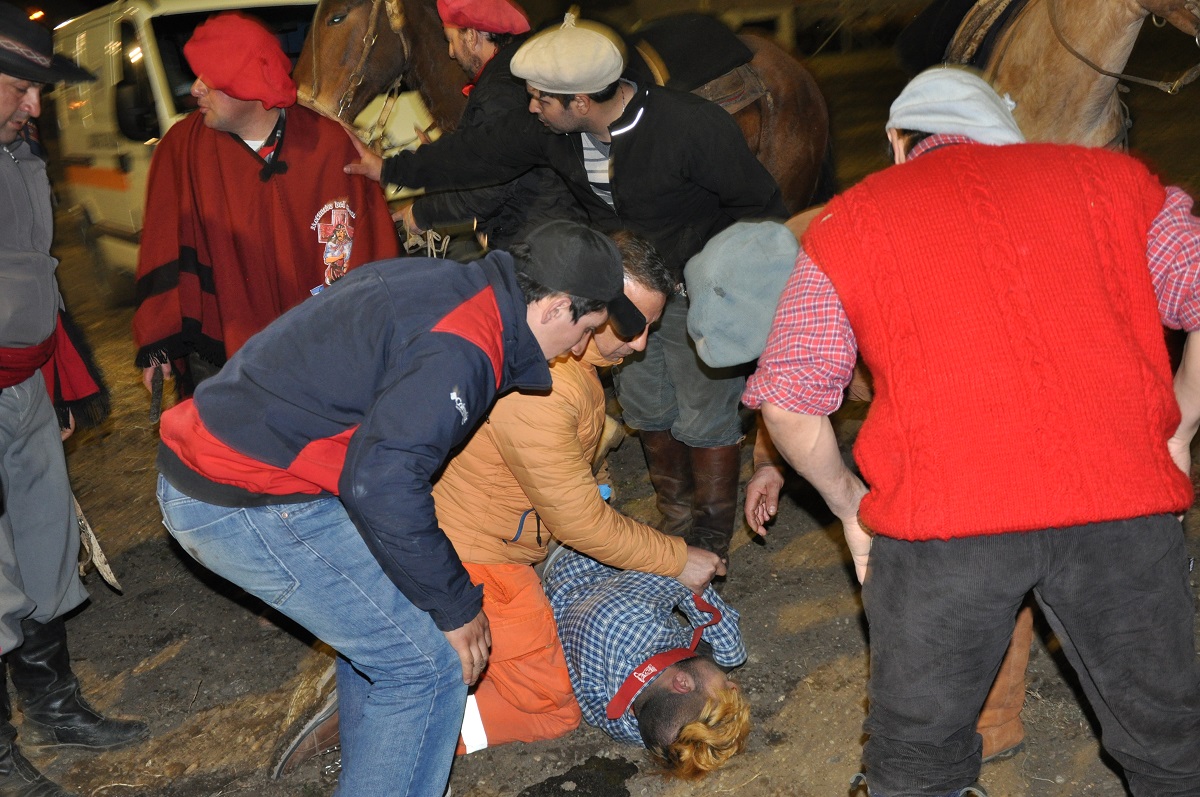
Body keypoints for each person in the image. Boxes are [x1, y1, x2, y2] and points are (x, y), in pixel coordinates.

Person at [687, 66, 1200, 796]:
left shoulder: (850, 222)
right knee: (1170, 743)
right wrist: (1178, 426)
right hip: (1122, 505)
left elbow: (791, 402)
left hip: (945, 529)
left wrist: (851, 508)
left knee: (918, 760)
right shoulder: (1120, 184)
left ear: (897, 141)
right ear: (1008, 133)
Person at [154, 220, 646, 797]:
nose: (581, 348)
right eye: (584, 330)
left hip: (240, 460)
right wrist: (456, 606)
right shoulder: (465, 347)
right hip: (244, 493)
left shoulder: (451, 286)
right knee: (429, 666)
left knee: (392, 640)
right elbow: (384, 481)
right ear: (557, 306)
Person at [271, 232, 725, 774]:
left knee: (533, 667)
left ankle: (406, 668)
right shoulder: (549, 386)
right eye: (632, 324)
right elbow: (578, 520)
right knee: (552, 709)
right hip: (481, 555)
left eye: (649, 326)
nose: (642, 343)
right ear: (591, 305)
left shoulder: (576, 369)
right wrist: (677, 558)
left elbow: (576, 476)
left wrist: (600, 496)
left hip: (500, 541)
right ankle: (393, 719)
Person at [346, 12, 787, 566]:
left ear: (580, 101)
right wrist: (389, 169)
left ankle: (710, 535)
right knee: (646, 404)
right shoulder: (552, 131)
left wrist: (720, 282)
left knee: (704, 411)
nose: (531, 107)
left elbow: (759, 206)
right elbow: (477, 153)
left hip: (694, 287)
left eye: (540, 98)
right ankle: (675, 516)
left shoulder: (692, 128)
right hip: (619, 287)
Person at [0, 5, 150, 796]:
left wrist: (62, 378)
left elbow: (39, 273)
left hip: (24, 383)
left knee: (42, 545)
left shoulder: (17, 151)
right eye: (21, 87)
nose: (36, 107)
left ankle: (54, 707)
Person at [133, 12, 399, 397]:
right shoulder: (182, 150)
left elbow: (374, 250)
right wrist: (157, 341)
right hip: (222, 356)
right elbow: (161, 247)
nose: (196, 88)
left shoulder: (329, 146)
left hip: (325, 354)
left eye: (209, 77)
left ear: (249, 85)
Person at [393, 0, 583, 252]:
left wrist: (420, 214)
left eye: (451, 40)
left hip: (538, 243)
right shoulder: (509, 75)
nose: (451, 52)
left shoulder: (498, 92)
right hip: (543, 231)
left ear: (472, 37)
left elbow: (488, 190)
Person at [544, 547, 749, 779]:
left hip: (577, 556)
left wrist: (732, 653)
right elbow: (671, 742)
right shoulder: (632, 727)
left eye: (725, 691)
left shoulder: (630, 617)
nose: (734, 686)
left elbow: (685, 575)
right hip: (582, 613)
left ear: (682, 682)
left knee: (682, 556)